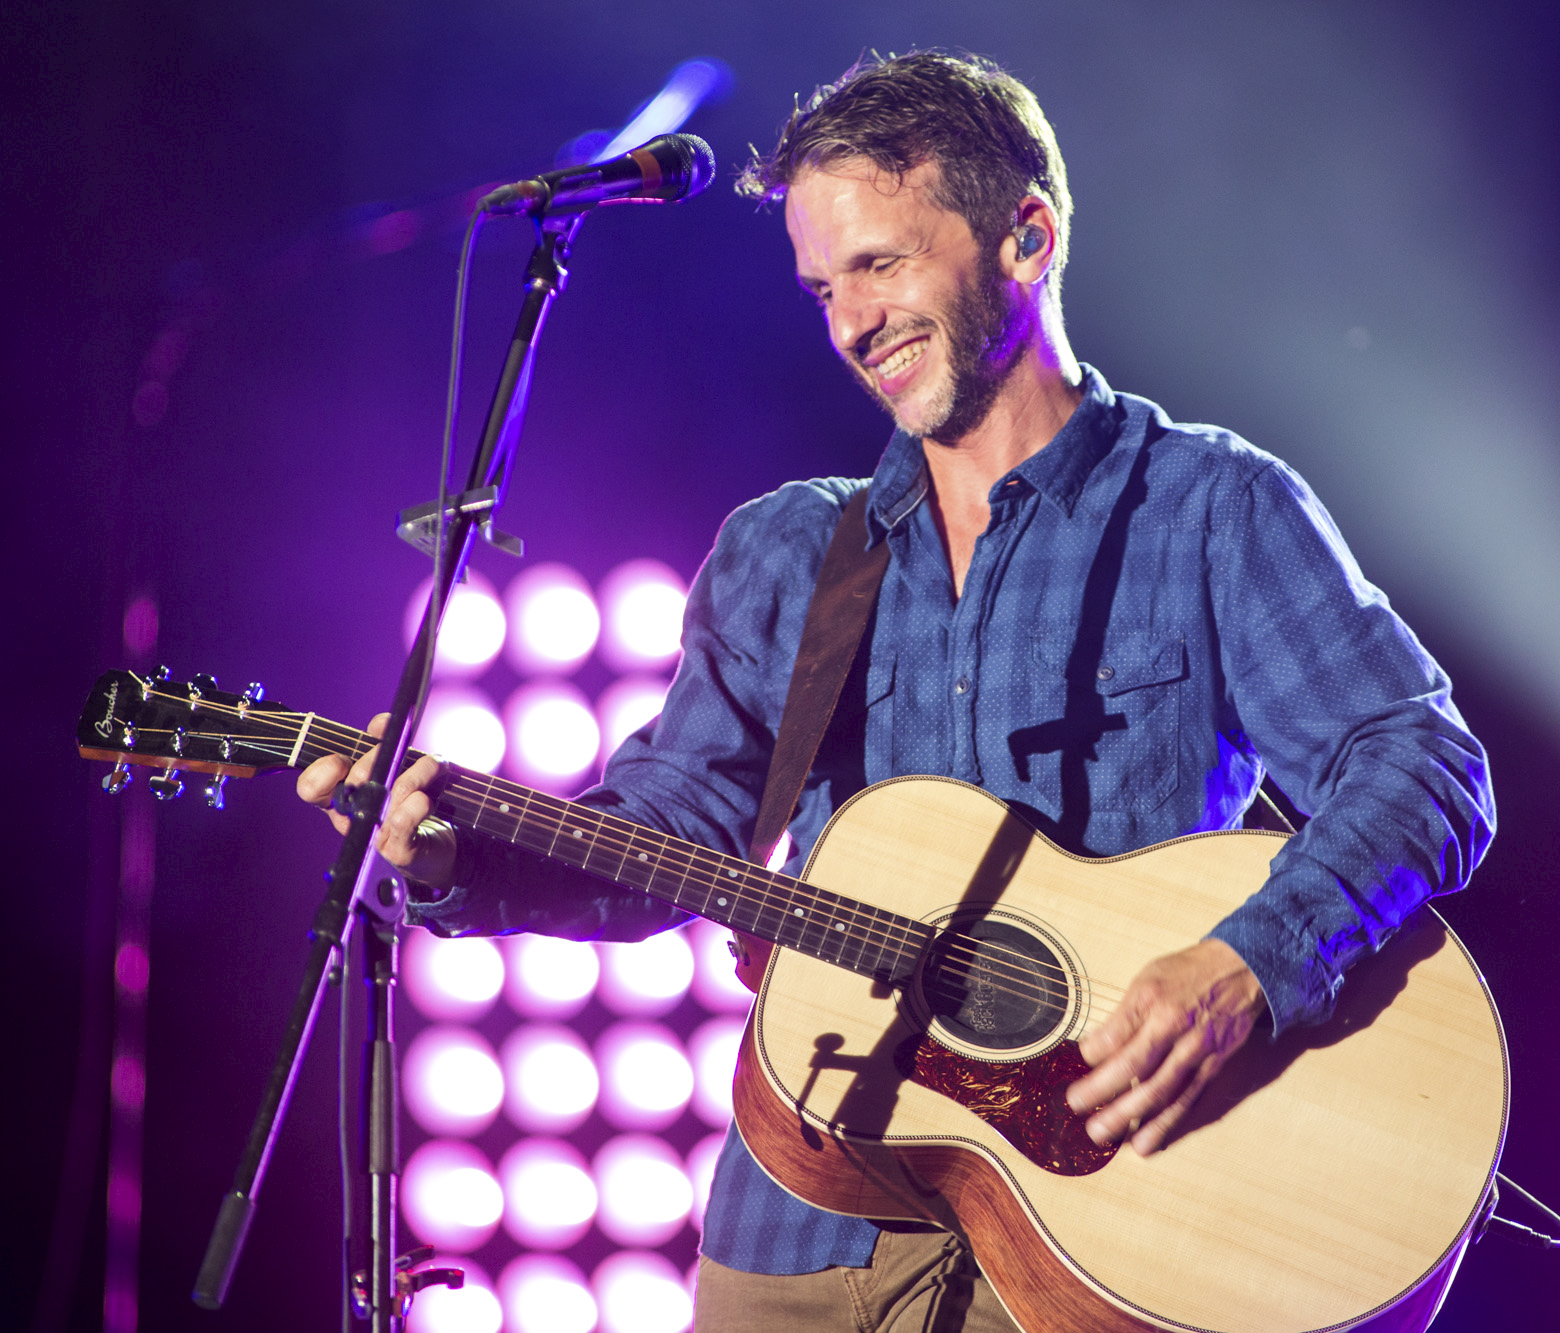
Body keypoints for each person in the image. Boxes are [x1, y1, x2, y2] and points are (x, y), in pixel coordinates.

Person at [300, 50, 1496, 1333]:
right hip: (799, 1221)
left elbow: (1422, 763)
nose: (849, 325)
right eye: (823, 288)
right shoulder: (787, 550)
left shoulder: (1209, 506)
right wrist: (453, 856)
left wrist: (1246, 965)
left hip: (1106, 1224)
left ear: (1024, 237)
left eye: (879, 265)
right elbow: (668, 835)